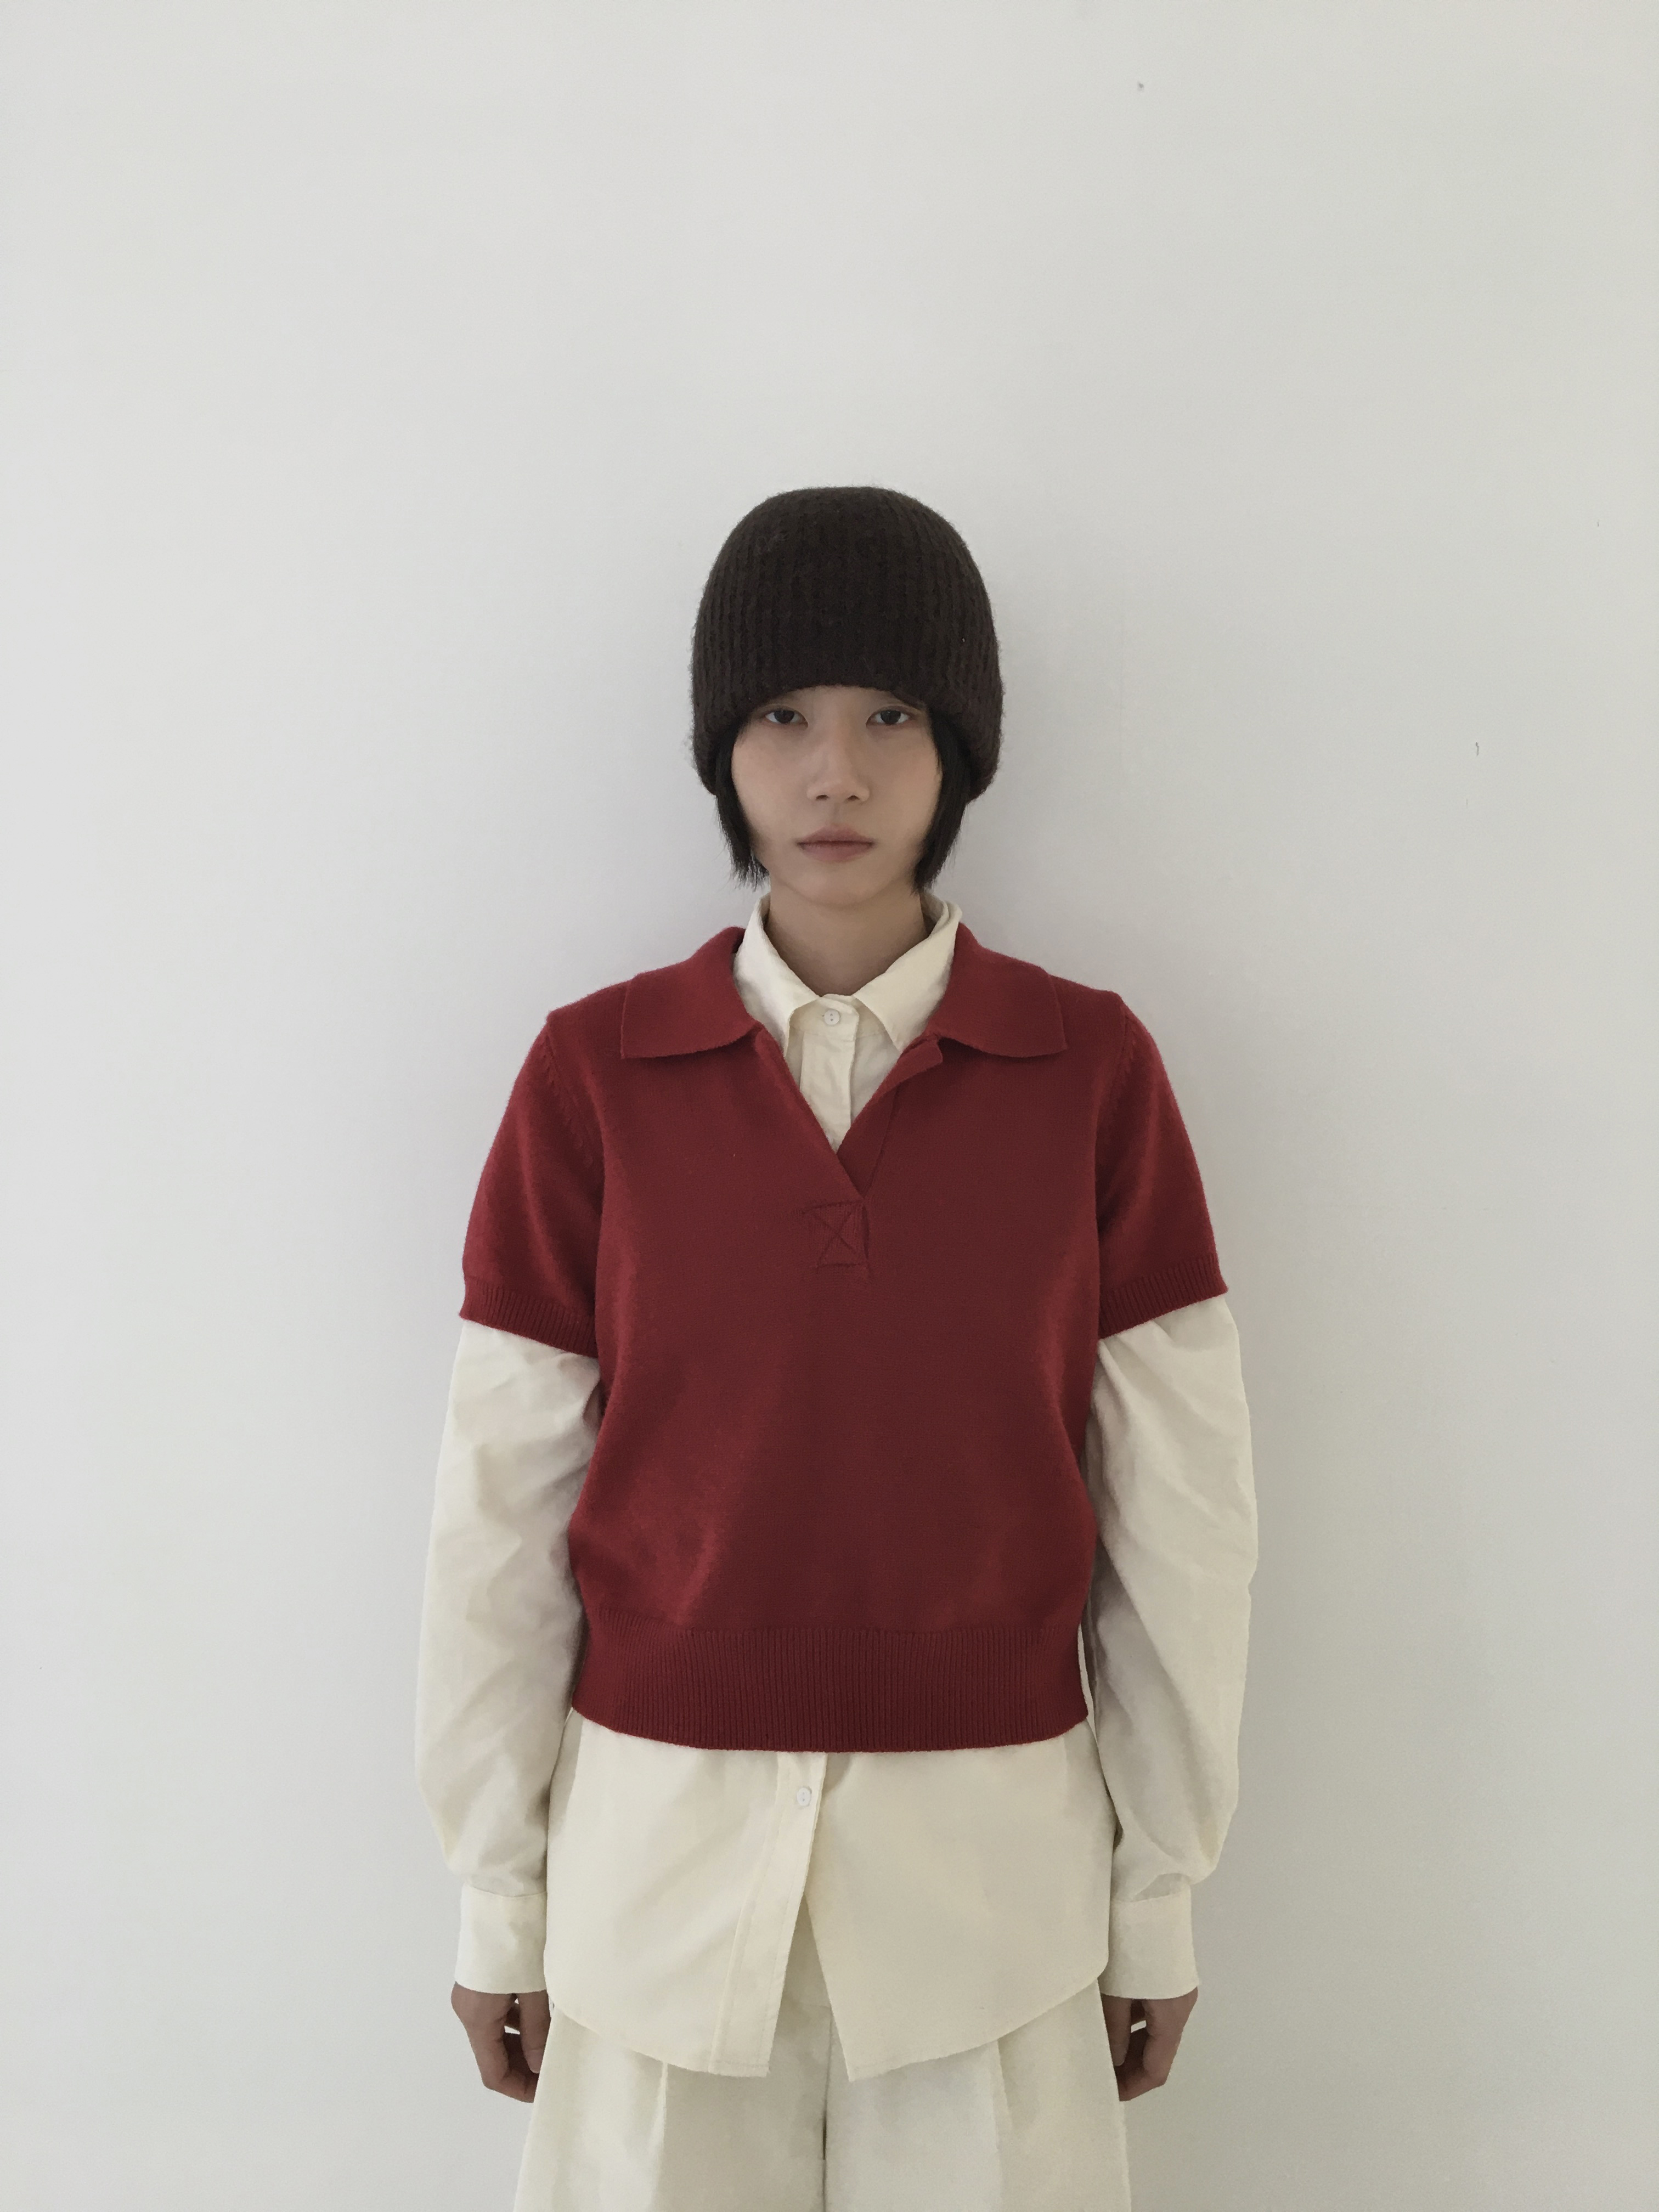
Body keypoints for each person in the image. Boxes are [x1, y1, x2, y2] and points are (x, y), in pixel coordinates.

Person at [415, 485, 1259, 2211]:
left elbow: (1184, 1517)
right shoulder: (592, 1079)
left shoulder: (1093, 1077)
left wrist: (1157, 1891)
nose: (835, 776)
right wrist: (500, 1893)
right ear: (723, 752)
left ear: (960, 753)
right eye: (785, 718)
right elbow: (497, 1513)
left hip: (993, 1905)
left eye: (891, 719)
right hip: (654, 1896)